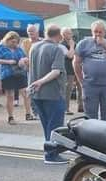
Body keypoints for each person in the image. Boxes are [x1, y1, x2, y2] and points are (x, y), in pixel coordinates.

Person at [28, 25, 68, 165]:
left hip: (37, 94)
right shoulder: (57, 49)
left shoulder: (34, 47)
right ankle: (51, 155)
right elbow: (56, 71)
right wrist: (41, 81)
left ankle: (48, 152)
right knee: (55, 127)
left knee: (46, 125)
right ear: (59, 36)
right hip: (53, 93)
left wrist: (35, 84)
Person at [73, 20, 106, 121]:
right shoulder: (83, 44)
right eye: (95, 31)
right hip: (90, 85)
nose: (98, 34)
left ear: (104, 32)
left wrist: (105, 45)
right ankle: (91, 136)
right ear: (91, 31)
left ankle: (105, 136)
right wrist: (81, 81)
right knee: (90, 116)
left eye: (100, 32)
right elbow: (76, 62)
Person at [0, 31, 31, 124]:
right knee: (10, 96)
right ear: (7, 40)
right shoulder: (1, 48)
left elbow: (25, 57)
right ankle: (11, 117)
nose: (14, 44)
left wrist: (24, 60)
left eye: (16, 42)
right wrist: (8, 62)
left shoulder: (19, 48)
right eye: (12, 42)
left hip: (20, 72)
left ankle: (28, 114)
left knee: (26, 93)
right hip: (7, 74)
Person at [60, 27, 81, 115]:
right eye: (67, 33)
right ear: (63, 35)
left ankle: (81, 106)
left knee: (80, 86)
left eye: (70, 33)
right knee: (68, 89)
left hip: (77, 67)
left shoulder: (75, 43)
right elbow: (70, 56)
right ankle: (66, 108)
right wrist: (72, 46)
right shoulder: (62, 44)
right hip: (68, 68)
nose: (70, 35)